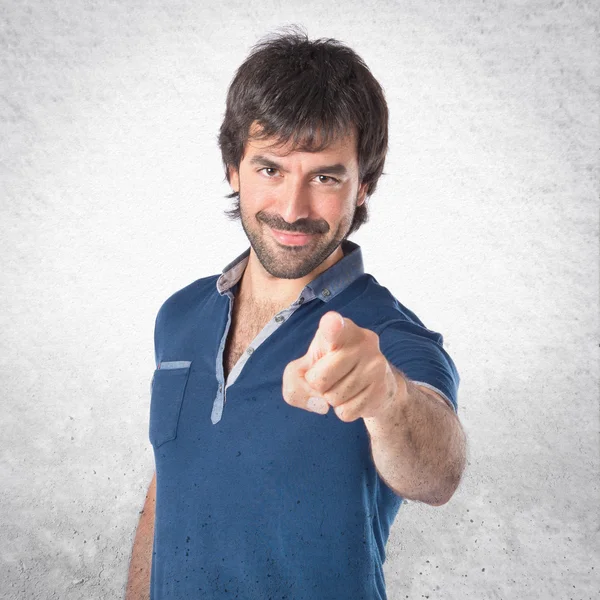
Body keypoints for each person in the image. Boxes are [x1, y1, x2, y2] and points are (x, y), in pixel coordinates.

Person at [126, 25, 467, 600]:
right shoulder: (180, 315)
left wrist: (386, 396)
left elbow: (439, 474)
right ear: (233, 168)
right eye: (270, 169)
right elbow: (174, 484)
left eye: (326, 176)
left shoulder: (386, 336)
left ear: (364, 186)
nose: (292, 207)